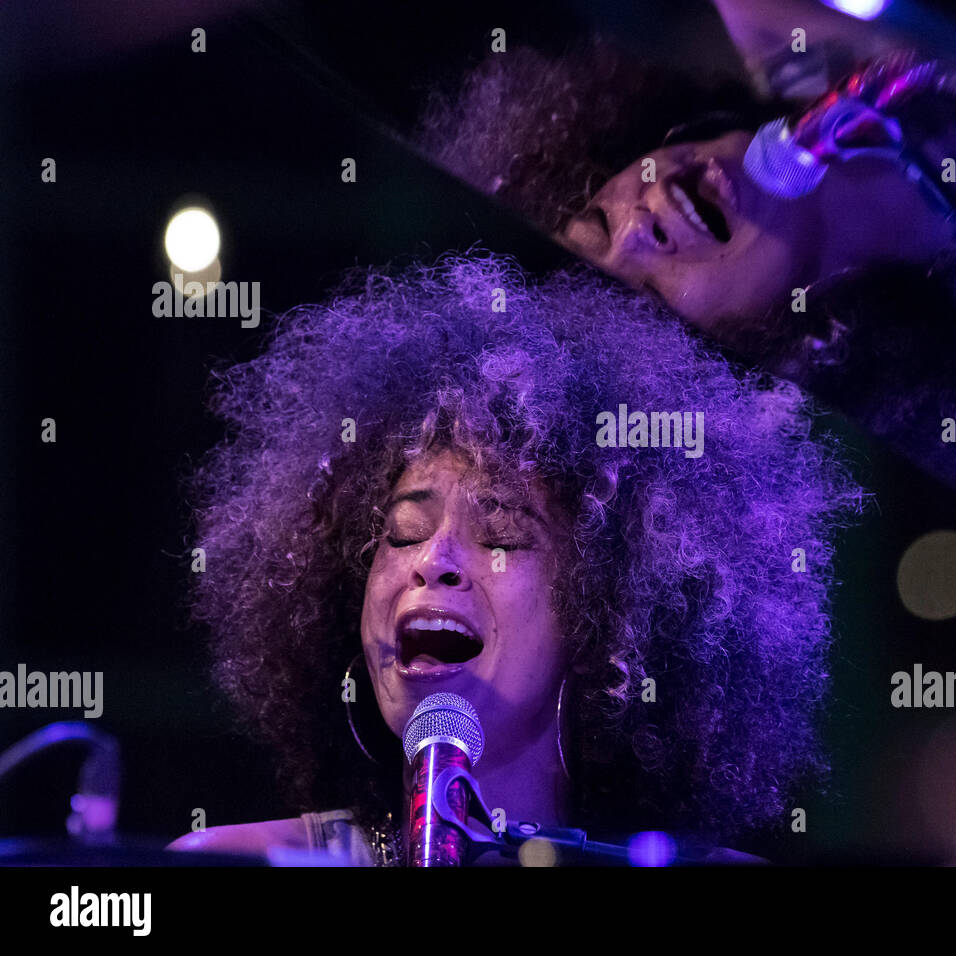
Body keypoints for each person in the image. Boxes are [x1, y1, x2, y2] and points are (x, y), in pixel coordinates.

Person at [167, 253, 861, 864]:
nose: (434, 560)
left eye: (500, 537)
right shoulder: (235, 866)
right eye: (403, 533)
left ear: (604, 619)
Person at [419, 19, 956, 476]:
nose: (637, 225)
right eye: (643, 299)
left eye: (596, 220)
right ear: (750, 372)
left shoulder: (788, 15)